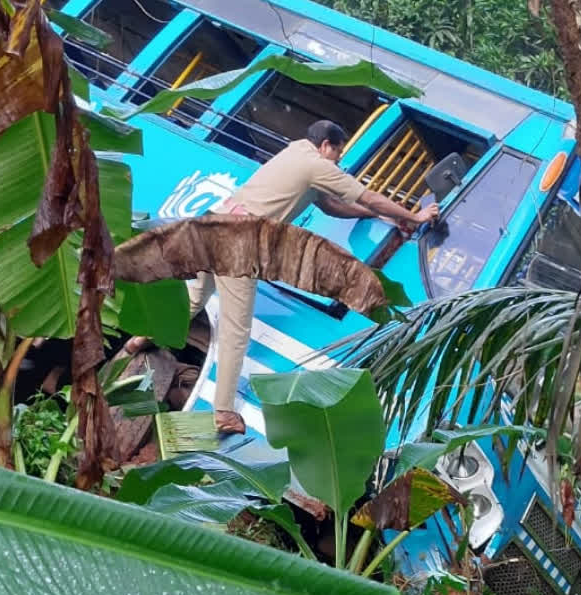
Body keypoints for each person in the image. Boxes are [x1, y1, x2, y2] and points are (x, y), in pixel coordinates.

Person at [126, 120, 441, 435]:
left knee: (195, 298)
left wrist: (376, 215)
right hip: (239, 241)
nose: (339, 160)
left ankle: (143, 337)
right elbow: (367, 196)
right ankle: (222, 412)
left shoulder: (294, 153)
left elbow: (331, 207)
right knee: (236, 331)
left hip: (214, 225)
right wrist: (414, 215)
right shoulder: (316, 164)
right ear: (326, 145)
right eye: (339, 152)